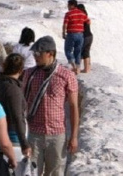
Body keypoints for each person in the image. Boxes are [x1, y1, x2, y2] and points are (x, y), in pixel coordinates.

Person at [23, 36, 79, 176]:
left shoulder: (66, 75)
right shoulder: (29, 75)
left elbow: (73, 106)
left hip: (57, 135)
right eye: (34, 53)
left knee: (55, 173)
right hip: (34, 133)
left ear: (51, 54)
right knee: (31, 172)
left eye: (39, 53)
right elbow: (22, 102)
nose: (35, 57)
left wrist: (74, 136)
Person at [0, 53, 31, 159]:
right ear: (21, 70)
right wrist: (24, 144)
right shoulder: (13, 89)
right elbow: (17, 116)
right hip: (12, 135)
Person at [62, 0, 88, 74]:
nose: (67, 6)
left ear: (72, 5)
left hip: (71, 34)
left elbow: (65, 24)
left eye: (68, 5)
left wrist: (63, 33)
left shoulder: (68, 14)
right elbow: (88, 21)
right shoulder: (82, 13)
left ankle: (74, 66)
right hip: (80, 35)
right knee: (78, 51)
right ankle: (78, 67)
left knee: (68, 50)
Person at [76, 4, 93, 73]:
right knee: (86, 52)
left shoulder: (80, 17)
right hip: (90, 36)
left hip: (84, 37)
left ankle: (77, 69)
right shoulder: (86, 16)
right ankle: (87, 69)